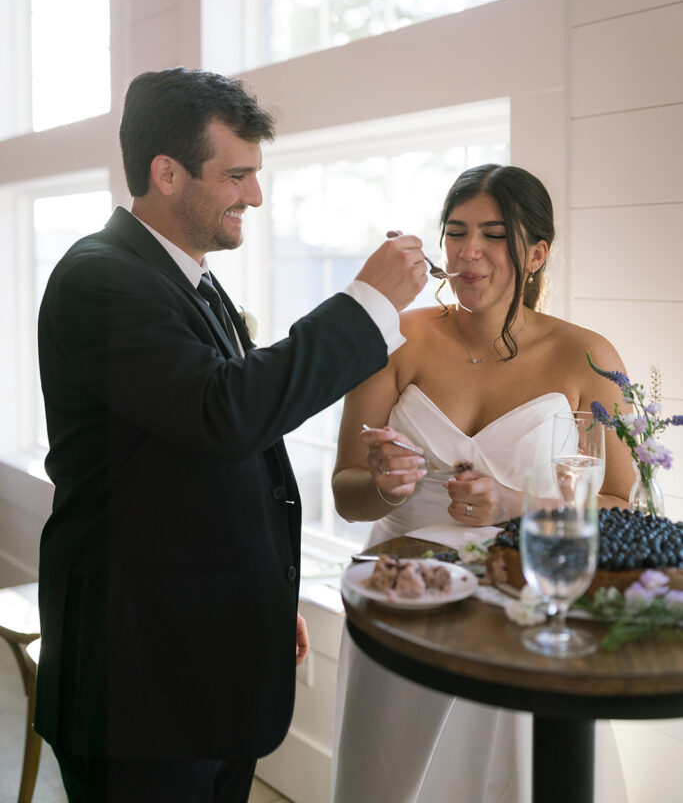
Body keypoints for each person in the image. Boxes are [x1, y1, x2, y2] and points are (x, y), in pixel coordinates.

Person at [35, 66, 428, 803]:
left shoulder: (195, 281)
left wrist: (264, 606)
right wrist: (367, 302)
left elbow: (225, 456)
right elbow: (226, 413)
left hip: (214, 656)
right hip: (139, 684)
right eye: (237, 174)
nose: (254, 194)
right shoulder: (97, 279)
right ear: (167, 173)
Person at [331, 163, 633, 803]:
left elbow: (621, 507)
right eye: (456, 231)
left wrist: (518, 505)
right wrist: (384, 484)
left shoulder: (587, 358)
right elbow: (344, 492)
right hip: (399, 607)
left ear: (537, 251)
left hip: (517, 619)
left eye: (494, 235)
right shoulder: (395, 339)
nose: (469, 252)